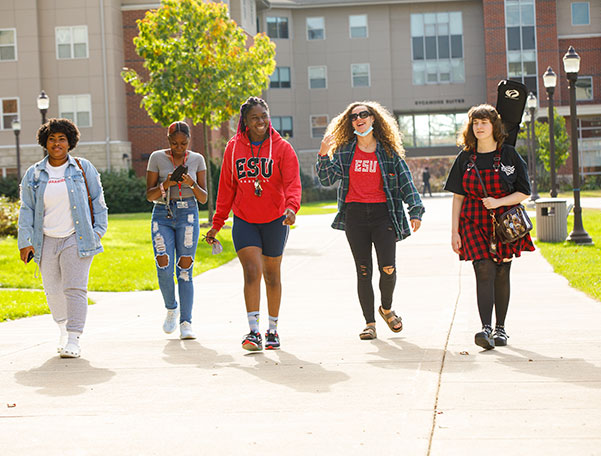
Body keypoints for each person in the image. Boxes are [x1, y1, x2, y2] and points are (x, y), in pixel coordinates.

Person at [317, 101, 424, 340]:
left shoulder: (388, 152)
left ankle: (386, 309)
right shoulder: (345, 150)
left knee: (388, 268)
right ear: (350, 122)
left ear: (373, 119)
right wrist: (323, 153)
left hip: (382, 216)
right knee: (363, 271)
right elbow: (326, 179)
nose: (358, 119)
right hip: (355, 217)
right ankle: (370, 324)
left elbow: (406, 182)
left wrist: (415, 210)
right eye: (354, 116)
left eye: (364, 114)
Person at [205, 97, 301, 351]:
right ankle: (253, 332)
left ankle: (272, 330)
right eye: (254, 118)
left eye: (264, 116)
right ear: (245, 122)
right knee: (250, 271)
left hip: (275, 220)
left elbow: (292, 183)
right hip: (245, 220)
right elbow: (226, 188)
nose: (260, 122)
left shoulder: (282, 148)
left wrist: (291, 208)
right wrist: (217, 222)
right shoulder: (233, 148)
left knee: (272, 276)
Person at [444, 104, 534, 350]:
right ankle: (485, 328)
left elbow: (524, 192)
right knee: (483, 269)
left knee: (502, 272)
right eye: (475, 122)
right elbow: (458, 197)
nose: (479, 127)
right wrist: (454, 232)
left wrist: (498, 202)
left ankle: (500, 329)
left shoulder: (510, 155)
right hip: (472, 219)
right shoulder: (465, 158)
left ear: (494, 126)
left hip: (506, 221)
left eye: (484, 122)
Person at [18, 118, 108, 358]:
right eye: (52, 139)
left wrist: (98, 231)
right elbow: (26, 208)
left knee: (74, 288)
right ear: (45, 143)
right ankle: (62, 329)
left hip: (76, 238)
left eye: (62, 139)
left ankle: (74, 338)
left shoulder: (82, 167)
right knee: (52, 290)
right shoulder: (35, 173)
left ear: (70, 143)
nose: (57, 143)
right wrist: (24, 241)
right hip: (45, 239)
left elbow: (98, 201)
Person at [146, 121, 208, 339]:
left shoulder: (197, 159)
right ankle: (171, 308)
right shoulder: (157, 158)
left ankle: (186, 322)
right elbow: (149, 195)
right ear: (168, 140)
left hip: (188, 214)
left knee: (184, 269)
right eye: (174, 143)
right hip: (162, 214)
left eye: (183, 143)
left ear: (189, 140)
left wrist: (191, 183)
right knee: (163, 263)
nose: (179, 148)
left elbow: (204, 198)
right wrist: (167, 184)